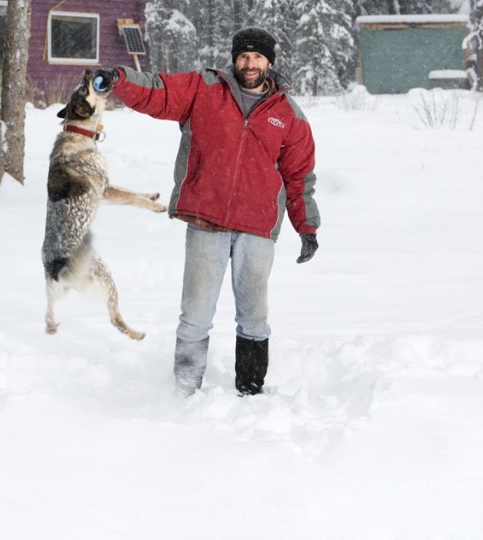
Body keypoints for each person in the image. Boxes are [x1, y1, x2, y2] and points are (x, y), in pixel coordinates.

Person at [92, 27, 320, 397]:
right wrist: (120, 79)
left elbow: (299, 176)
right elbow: (157, 90)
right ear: (234, 59)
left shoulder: (289, 114)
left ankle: (250, 391)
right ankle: (185, 389)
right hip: (206, 218)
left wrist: (306, 226)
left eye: (257, 57)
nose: (250, 64)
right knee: (195, 314)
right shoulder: (204, 89)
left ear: (269, 62)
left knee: (254, 316)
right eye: (244, 56)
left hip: (257, 225)